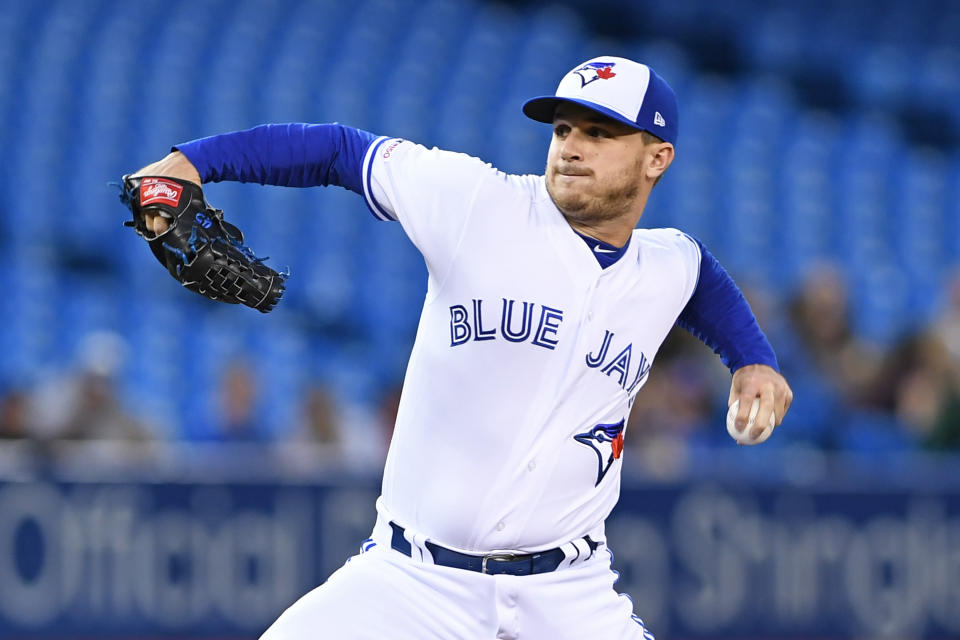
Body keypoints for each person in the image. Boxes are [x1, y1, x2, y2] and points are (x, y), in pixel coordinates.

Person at [133, 56, 792, 640]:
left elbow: (700, 276)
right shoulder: (481, 203)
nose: (570, 147)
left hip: (568, 596)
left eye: (599, 132)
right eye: (562, 128)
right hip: (412, 585)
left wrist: (753, 358)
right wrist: (193, 161)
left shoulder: (664, 265)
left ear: (657, 158)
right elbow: (338, 150)